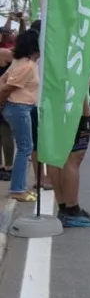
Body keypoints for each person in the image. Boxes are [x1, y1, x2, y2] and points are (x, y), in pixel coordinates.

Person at [50, 96, 90, 227]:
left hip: (53, 104)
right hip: (73, 107)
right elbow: (80, 83)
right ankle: (72, 210)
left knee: (57, 157)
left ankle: (64, 209)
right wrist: (87, 114)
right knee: (73, 158)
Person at [0, 29, 39, 202]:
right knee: (25, 148)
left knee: (24, 147)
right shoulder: (27, 66)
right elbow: (8, 87)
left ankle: (18, 186)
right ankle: (17, 188)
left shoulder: (19, 62)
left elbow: (4, 80)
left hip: (19, 107)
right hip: (19, 107)